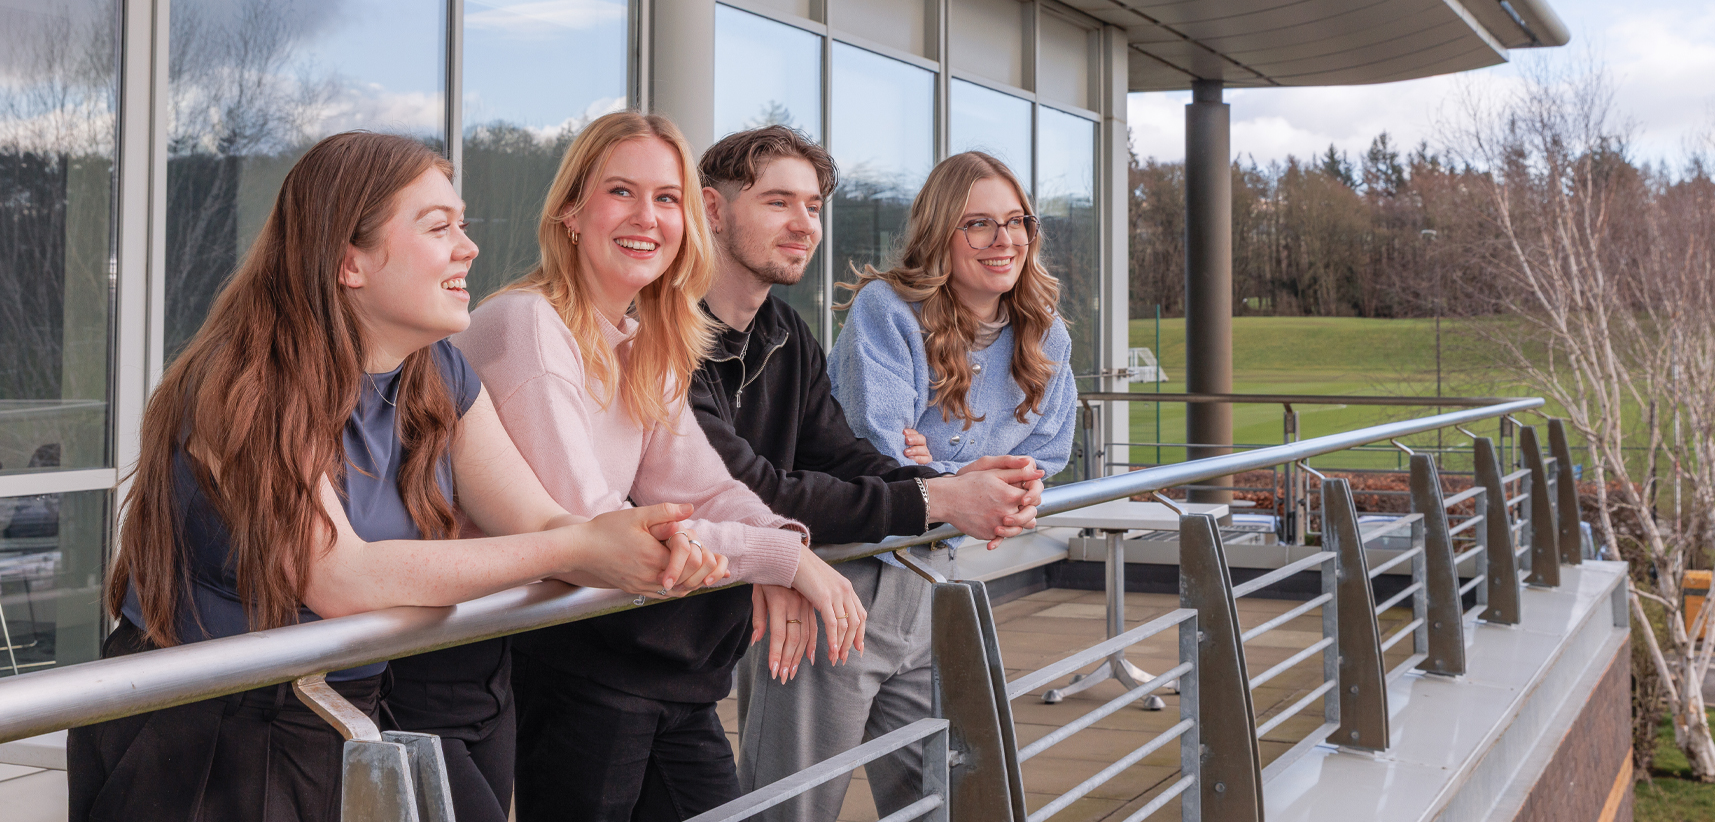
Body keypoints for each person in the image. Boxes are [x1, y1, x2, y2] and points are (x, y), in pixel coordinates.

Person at [68, 132, 716, 822]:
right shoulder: (246, 383)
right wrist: (581, 550)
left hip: (343, 703)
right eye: (439, 228)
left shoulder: (440, 372)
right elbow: (340, 577)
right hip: (201, 731)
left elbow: (540, 519)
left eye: (461, 225)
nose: (468, 247)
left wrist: (642, 540)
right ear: (350, 261)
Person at [451, 112, 868, 822]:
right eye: (622, 192)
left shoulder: (647, 339)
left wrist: (784, 553)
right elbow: (595, 527)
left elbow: (702, 486)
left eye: (667, 198)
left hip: (648, 658)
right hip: (547, 660)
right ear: (571, 212)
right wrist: (782, 561)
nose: (648, 217)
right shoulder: (526, 324)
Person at [689, 127, 1043, 818]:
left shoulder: (785, 334)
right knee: (782, 805)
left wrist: (950, 490)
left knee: (944, 791)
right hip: (646, 640)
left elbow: (841, 455)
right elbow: (751, 488)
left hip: (833, 597)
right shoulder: (667, 337)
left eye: (814, 206)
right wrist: (939, 494)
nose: (803, 224)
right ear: (712, 210)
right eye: (779, 202)